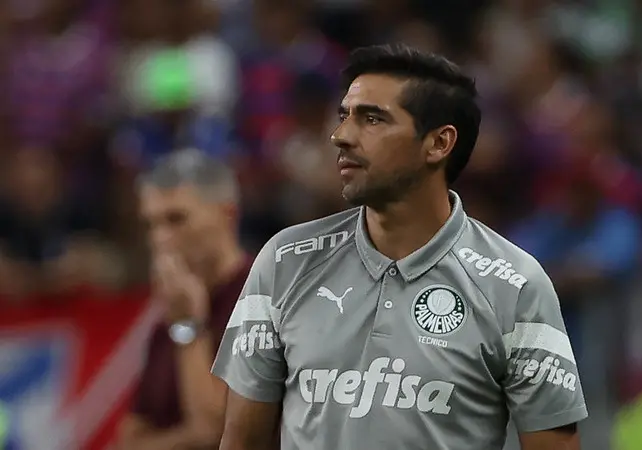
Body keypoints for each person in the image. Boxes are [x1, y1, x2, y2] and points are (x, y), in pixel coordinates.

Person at [212, 44, 588, 450]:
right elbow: (241, 442)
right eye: (344, 116)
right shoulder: (285, 261)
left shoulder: (515, 286)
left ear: (439, 143)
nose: (341, 136)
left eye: (372, 119)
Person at [117, 148, 249, 449]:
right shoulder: (168, 320)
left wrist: (189, 325)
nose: (160, 238)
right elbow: (129, 439)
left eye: (176, 219)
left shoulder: (263, 298)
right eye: (151, 224)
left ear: (227, 214)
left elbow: (216, 433)